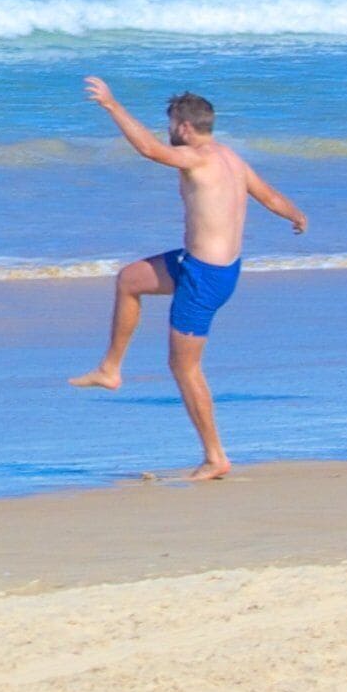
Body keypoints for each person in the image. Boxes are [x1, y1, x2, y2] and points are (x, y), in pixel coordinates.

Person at [66, 76, 307, 480]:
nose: (169, 131)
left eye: (171, 124)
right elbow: (269, 196)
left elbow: (148, 149)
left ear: (184, 127)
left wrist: (111, 105)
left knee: (185, 369)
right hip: (204, 265)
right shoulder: (231, 158)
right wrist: (296, 215)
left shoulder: (199, 158)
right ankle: (111, 368)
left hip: (205, 278)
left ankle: (216, 457)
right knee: (130, 280)